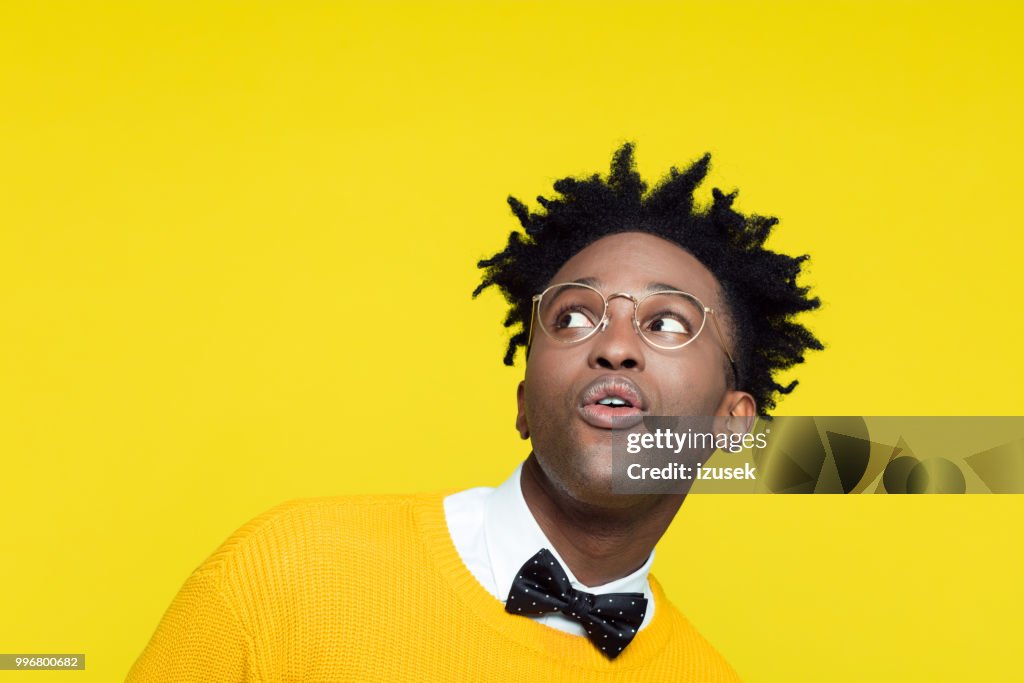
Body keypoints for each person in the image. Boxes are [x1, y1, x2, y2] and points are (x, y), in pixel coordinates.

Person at [126, 143, 822, 681]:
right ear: (524, 399)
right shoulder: (289, 568)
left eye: (668, 324)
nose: (614, 346)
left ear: (732, 425)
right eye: (574, 315)